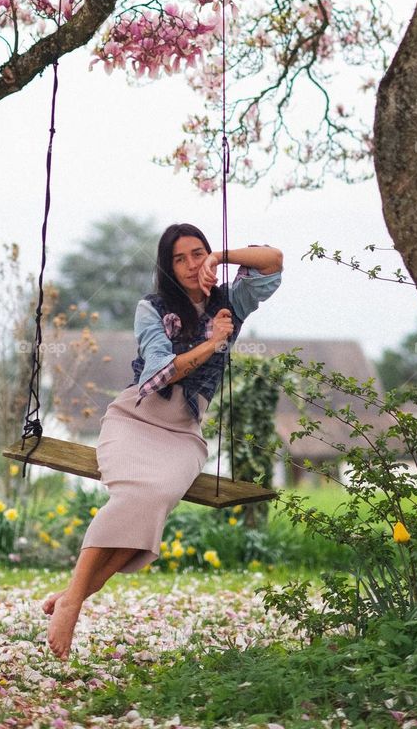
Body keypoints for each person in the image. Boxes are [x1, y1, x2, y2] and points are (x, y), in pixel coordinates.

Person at [44, 222, 283, 660]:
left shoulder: (232, 300)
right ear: (167, 267)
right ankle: (74, 602)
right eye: (180, 258)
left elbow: (273, 262)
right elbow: (158, 374)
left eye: (199, 254)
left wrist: (222, 257)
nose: (192, 264)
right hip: (135, 420)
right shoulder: (151, 308)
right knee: (134, 497)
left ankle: (71, 593)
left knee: (153, 499)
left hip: (182, 434)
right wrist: (213, 343)